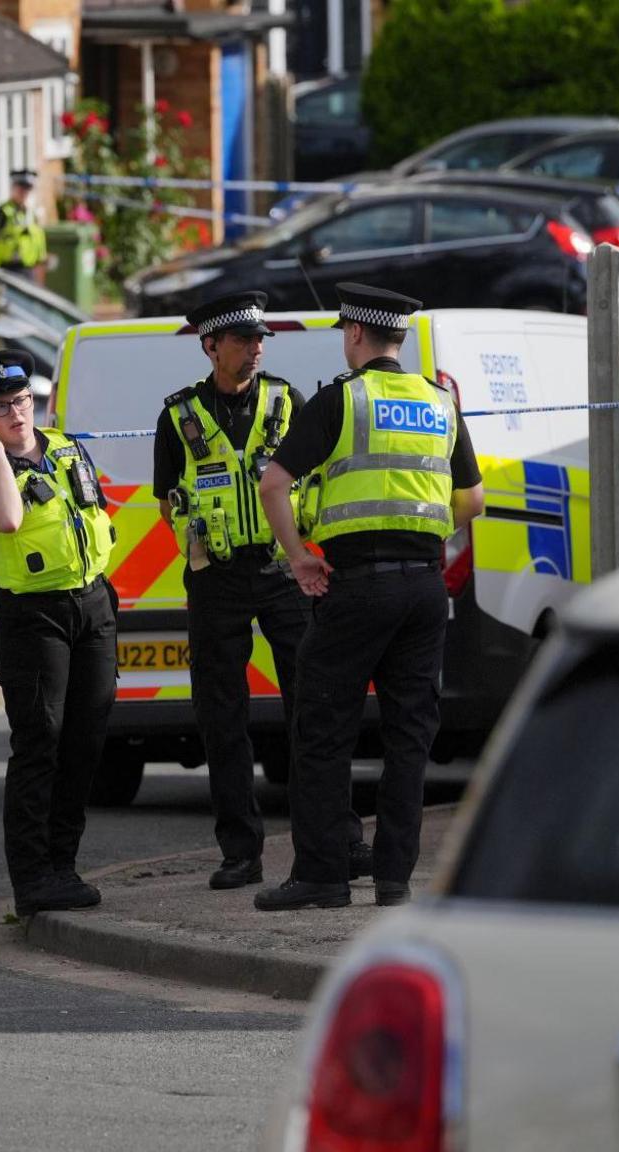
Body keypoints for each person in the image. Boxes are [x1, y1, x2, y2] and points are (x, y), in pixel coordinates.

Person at [251, 283, 485, 911]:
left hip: (355, 587)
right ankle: (393, 880)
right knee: (410, 737)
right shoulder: (440, 403)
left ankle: (323, 877)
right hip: (424, 588)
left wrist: (300, 557)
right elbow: (473, 501)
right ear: (398, 339)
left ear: (355, 334)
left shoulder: (341, 400)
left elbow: (274, 484)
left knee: (322, 730)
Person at [154, 291, 370, 891]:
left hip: (283, 573)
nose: (254, 350)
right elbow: (167, 497)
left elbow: (316, 479)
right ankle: (240, 851)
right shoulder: (177, 417)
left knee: (315, 706)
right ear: (211, 346)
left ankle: (336, 839)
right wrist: (191, 544)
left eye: (259, 341)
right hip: (216, 579)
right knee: (222, 716)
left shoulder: (286, 400)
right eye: (243, 341)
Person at [0, 348, 119, 916]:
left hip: (92, 606)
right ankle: (32, 880)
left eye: (21, 401)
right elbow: (6, 520)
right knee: (39, 745)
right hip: (34, 619)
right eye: (0, 407)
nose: (17, 414)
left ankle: (63, 867)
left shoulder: (70, 449)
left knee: (84, 742)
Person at [0, 169, 48, 283]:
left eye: (27, 190)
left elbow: (39, 247)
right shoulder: (3, 212)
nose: (24, 193)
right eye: (20, 189)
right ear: (13, 188)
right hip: (7, 270)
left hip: (29, 271)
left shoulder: (32, 214)